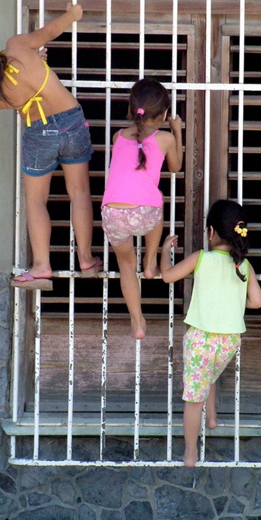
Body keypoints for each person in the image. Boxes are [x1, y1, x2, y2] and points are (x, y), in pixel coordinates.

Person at [0, 3, 102, 290]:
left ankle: (42, 265)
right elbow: (50, 31)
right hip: (71, 122)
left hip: (39, 133)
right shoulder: (17, 47)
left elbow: (6, 81)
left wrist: (35, 60)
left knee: (35, 201)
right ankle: (86, 259)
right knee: (79, 192)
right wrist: (72, 15)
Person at [160, 199, 261, 467]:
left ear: (210, 232)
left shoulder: (200, 258)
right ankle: (212, 418)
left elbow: (168, 277)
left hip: (201, 339)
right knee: (212, 374)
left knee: (194, 397)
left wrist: (163, 252)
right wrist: (231, 298)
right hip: (229, 341)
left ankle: (191, 453)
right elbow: (256, 302)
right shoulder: (244, 265)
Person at [101, 78, 183, 340]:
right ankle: (149, 263)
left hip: (111, 214)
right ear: (164, 114)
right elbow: (175, 167)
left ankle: (137, 323)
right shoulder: (166, 138)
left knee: (126, 266)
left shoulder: (118, 136)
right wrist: (177, 130)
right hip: (144, 215)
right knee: (156, 196)